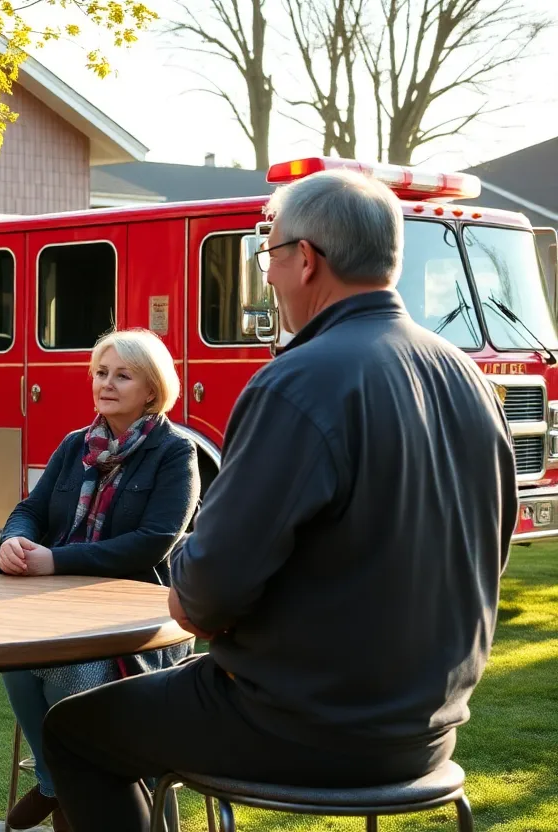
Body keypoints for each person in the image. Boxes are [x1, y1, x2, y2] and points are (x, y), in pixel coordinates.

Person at [41, 169, 517, 832]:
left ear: (306, 260)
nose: (266, 275)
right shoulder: (466, 377)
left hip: (297, 724)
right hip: (427, 730)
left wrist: (196, 599)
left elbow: (206, 597)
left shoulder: (297, 381)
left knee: (69, 732)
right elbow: (488, 557)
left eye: (268, 253)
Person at [0, 328, 200, 832]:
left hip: (137, 621)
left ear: (151, 389)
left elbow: (156, 540)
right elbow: (30, 509)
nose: (105, 384)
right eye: (101, 373)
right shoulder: (75, 445)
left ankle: (67, 792)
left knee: (69, 674)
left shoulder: (176, 452)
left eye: (122, 376)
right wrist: (13, 540)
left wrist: (58, 561)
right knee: (12, 657)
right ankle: (57, 782)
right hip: (60, 608)